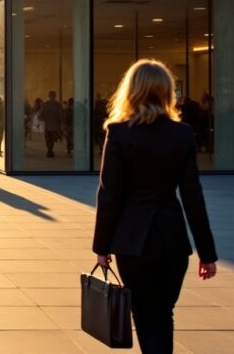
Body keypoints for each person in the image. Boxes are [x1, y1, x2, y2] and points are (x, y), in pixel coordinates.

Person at [93, 59, 217, 354]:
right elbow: (192, 196)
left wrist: (102, 246)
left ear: (131, 90)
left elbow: (109, 194)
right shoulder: (183, 133)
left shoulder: (119, 132)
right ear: (167, 91)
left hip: (132, 242)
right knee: (164, 314)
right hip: (172, 241)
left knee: (145, 317)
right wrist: (207, 253)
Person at [39, 90, 63, 158]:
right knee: (52, 139)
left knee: (48, 139)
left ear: (49, 96)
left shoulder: (45, 104)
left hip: (47, 126)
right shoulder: (58, 105)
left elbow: (40, 116)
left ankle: (49, 150)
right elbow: (61, 116)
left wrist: (44, 119)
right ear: (55, 96)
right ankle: (50, 150)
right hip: (55, 126)